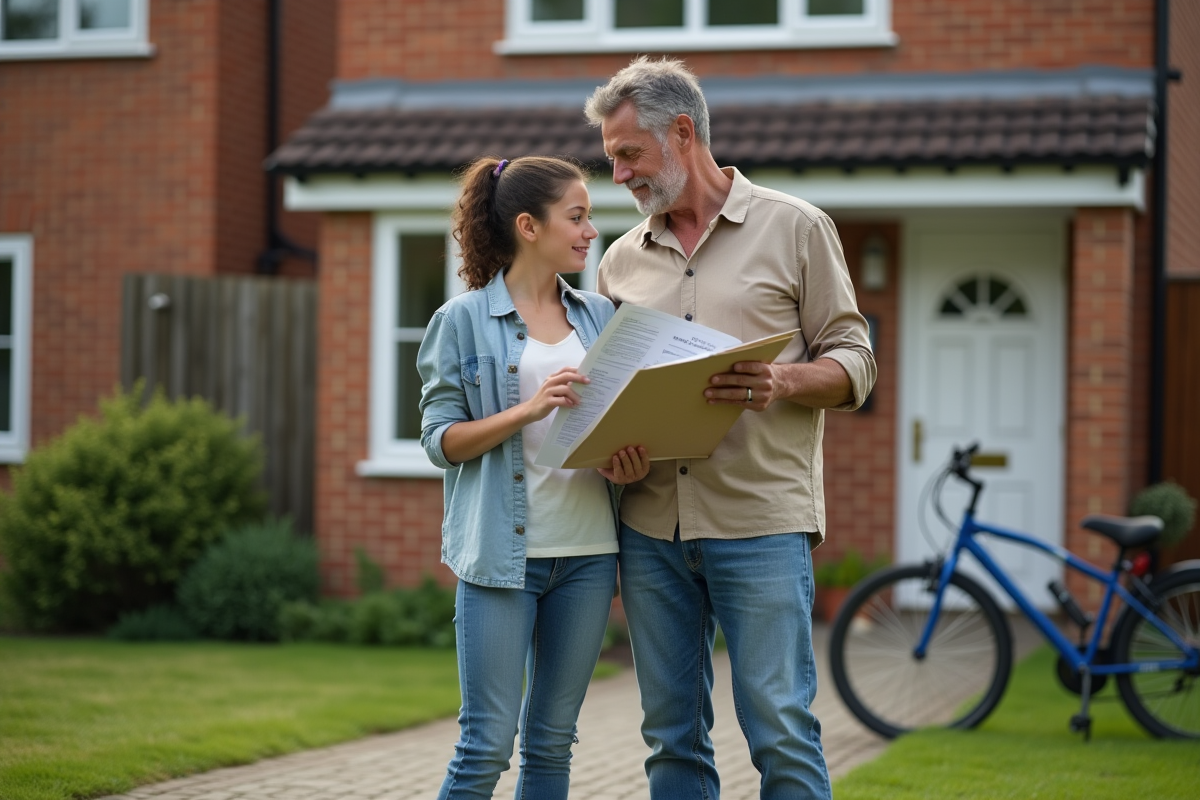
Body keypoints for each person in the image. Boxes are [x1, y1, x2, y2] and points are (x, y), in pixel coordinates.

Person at [584, 58, 877, 799]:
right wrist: (608, 454)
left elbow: (856, 360)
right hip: (652, 530)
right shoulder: (619, 261)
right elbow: (605, 392)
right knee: (670, 737)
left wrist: (780, 378)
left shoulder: (796, 227)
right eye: (611, 157)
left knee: (778, 725)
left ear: (682, 133)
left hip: (761, 524)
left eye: (628, 154)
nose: (617, 176)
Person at [417, 154, 649, 799]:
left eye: (589, 218)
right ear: (528, 225)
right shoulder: (460, 320)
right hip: (499, 557)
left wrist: (623, 464)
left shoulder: (601, 315)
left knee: (551, 742)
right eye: (576, 218)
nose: (588, 232)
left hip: (587, 554)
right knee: (486, 744)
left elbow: (609, 423)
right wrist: (527, 409)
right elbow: (441, 442)